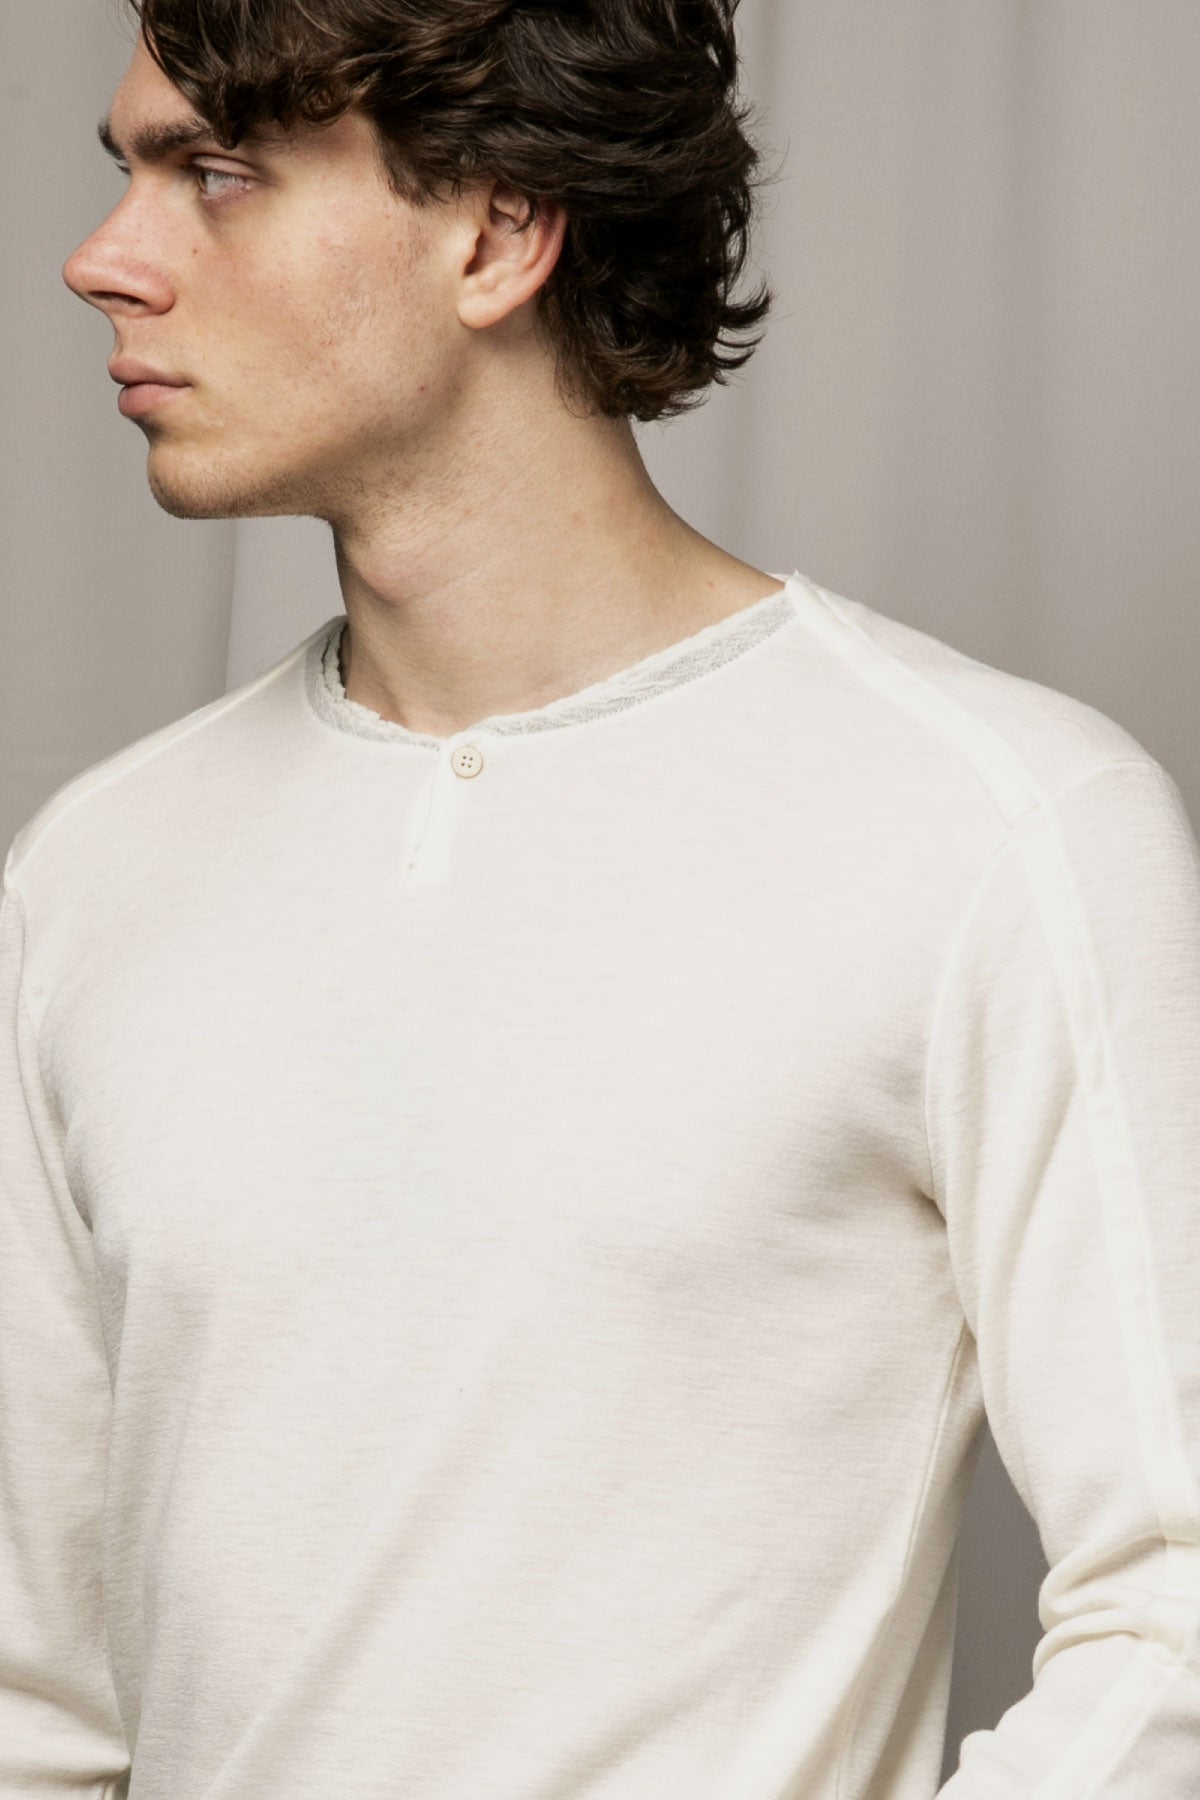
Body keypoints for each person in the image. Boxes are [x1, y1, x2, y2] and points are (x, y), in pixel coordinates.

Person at [2, 1, 1198, 1796]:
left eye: (219, 175)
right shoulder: (93, 870)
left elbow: (1176, 1601)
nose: (104, 260)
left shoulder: (1000, 823)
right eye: (130, 174)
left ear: (496, 232)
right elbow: (34, 1693)